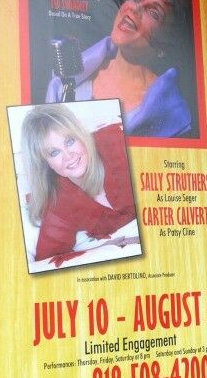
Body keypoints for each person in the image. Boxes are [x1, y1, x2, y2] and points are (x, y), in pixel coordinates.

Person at [46, 0, 192, 137]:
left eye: (154, 12)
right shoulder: (72, 76)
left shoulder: (170, 116)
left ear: (165, 45)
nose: (136, 9)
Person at [21, 104, 136, 261]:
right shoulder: (59, 201)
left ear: (81, 135)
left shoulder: (117, 143)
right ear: (46, 163)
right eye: (54, 152)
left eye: (69, 141)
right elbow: (47, 258)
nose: (68, 156)